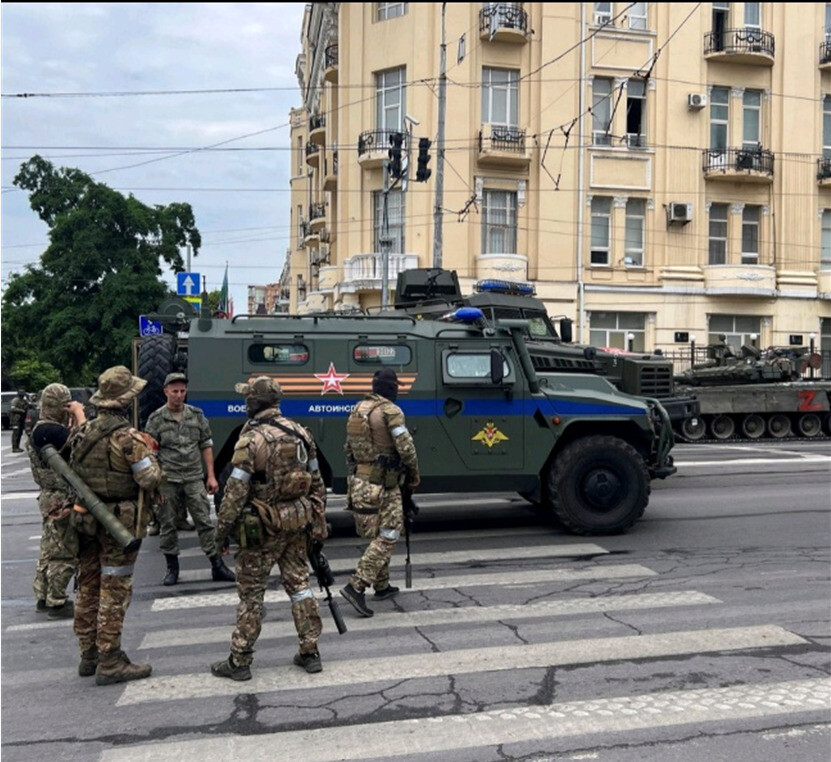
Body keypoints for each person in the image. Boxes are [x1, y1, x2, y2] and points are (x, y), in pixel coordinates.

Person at [211, 376, 327, 681]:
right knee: (300, 587)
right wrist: (317, 522)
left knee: (251, 596)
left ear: (253, 402)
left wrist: (220, 534)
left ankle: (240, 660)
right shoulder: (301, 433)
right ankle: (310, 651)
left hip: (260, 530)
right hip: (296, 524)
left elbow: (234, 492)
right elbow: (317, 485)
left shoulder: (251, 440)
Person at [69, 365, 163, 685]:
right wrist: (154, 458)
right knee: (114, 590)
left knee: (87, 587)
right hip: (118, 525)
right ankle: (110, 660)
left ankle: (88, 655)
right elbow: (148, 477)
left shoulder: (81, 432)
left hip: (85, 520)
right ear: (126, 400)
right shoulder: (128, 437)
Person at [339, 367, 419, 618]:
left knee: (378, 531)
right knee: (390, 533)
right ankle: (357, 585)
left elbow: (348, 450)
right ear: (392, 388)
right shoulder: (391, 411)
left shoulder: (357, 409)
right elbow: (406, 448)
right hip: (385, 483)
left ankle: (382, 585)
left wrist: (356, 478)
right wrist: (414, 476)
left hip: (361, 482)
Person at [144, 372, 235, 586]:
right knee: (167, 524)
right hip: (168, 480)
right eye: (174, 391)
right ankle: (172, 569)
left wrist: (211, 476)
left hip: (194, 477)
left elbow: (206, 445)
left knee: (204, 521)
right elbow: (149, 451)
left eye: (182, 391)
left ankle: (217, 565)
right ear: (166, 391)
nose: (179, 395)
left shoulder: (196, 415)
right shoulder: (156, 419)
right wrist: (153, 481)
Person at [26, 384, 85, 619]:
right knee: (64, 550)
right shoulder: (51, 431)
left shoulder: (41, 429)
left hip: (49, 495)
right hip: (61, 497)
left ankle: (43, 595)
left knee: (48, 549)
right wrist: (79, 415)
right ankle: (57, 601)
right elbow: (85, 441)